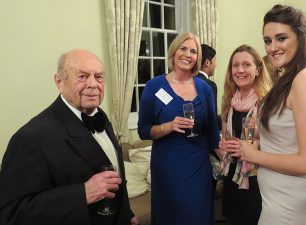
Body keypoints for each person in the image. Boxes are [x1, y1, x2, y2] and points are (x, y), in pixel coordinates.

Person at [0, 49, 138, 225]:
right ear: (59, 81)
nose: (93, 84)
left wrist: (126, 213)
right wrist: (83, 194)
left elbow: (117, 177)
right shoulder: (29, 138)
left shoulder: (101, 118)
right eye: (82, 76)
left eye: (99, 77)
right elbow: (11, 213)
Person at [239, 4, 306, 225]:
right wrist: (262, 141)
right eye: (268, 41)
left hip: (292, 204)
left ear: (300, 37)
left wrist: (253, 155)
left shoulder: (304, 79)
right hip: (279, 198)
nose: (272, 47)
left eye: (281, 38)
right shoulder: (290, 77)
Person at [137, 32, 220, 225]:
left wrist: (230, 159)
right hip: (167, 166)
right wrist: (168, 126)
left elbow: (212, 132)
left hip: (198, 166)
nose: (188, 54)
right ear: (174, 52)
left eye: (193, 51)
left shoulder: (205, 88)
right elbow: (143, 130)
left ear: (198, 58)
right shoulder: (154, 86)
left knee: (197, 215)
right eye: (183, 48)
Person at [218, 44, 271, 225]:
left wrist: (254, 146)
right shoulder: (229, 100)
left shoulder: (267, 103)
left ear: (257, 70)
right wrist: (223, 144)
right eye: (235, 65)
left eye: (246, 65)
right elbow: (226, 136)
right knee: (234, 219)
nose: (240, 70)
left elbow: (276, 144)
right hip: (232, 174)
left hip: (256, 177)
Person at [196, 44, 221, 130]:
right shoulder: (210, 85)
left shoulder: (188, 80)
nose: (216, 64)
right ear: (207, 62)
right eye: (214, 60)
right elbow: (212, 119)